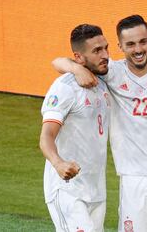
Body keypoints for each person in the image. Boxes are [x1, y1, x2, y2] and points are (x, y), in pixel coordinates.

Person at [53, 10, 147, 232]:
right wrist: (75, 69)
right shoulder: (112, 72)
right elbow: (58, 61)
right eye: (130, 44)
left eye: (143, 42)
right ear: (120, 47)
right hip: (134, 179)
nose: (138, 49)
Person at [39, 24, 111, 232]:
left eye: (106, 48)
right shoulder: (65, 88)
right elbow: (46, 136)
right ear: (78, 57)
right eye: (97, 51)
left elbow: (58, 61)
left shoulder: (104, 80)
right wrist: (58, 163)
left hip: (96, 190)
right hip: (67, 189)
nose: (105, 55)